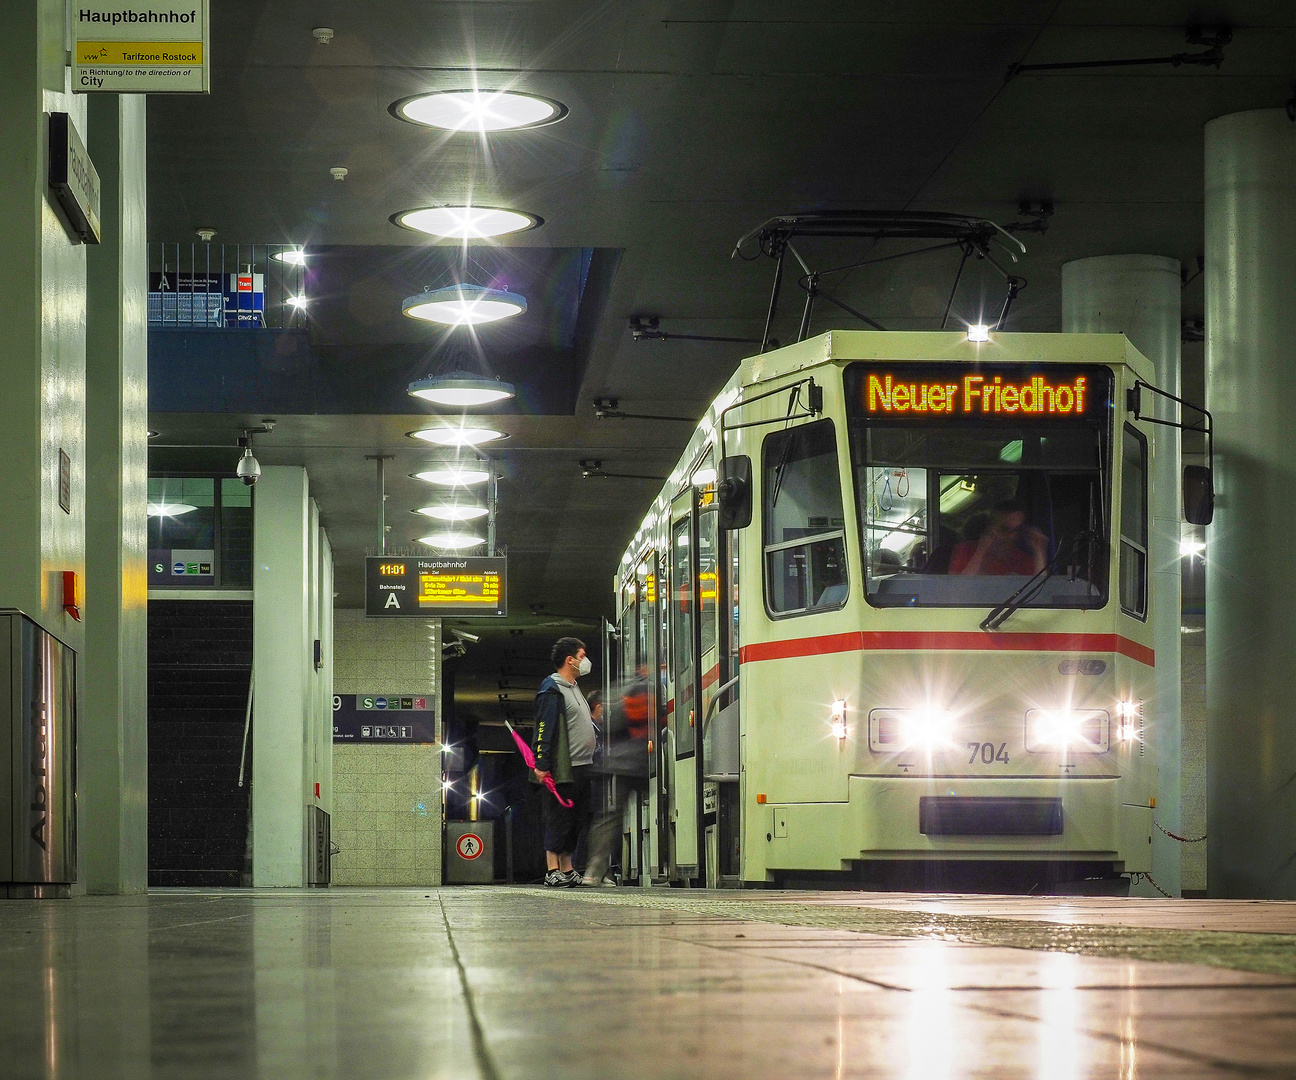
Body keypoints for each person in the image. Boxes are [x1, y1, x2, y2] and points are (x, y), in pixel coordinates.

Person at [532, 636, 597, 888]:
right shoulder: (552, 689)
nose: (585, 661)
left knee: (576, 818)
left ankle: (568, 868)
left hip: (583, 765)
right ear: (570, 660)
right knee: (558, 817)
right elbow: (544, 728)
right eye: (582, 656)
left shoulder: (574, 687)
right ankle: (552, 869)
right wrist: (542, 763)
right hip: (563, 768)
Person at [583, 669, 651, 887]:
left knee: (609, 816)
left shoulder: (618, 688)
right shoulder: (641, 689)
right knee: (612, 817)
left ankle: (596, 871)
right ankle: (595, 871)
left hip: (619, 762)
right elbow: (641, 721)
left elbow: (609, 726)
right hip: (633, 761)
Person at [949, 497, 1049, 576]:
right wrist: (981, 551)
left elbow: (1040, 594)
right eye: (1004, 529)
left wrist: (1039, 552)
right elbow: (959, 587)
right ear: (990, 527)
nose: (1011, 537)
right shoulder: (966, 551)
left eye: (1017, 530)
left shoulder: (1022, 559)